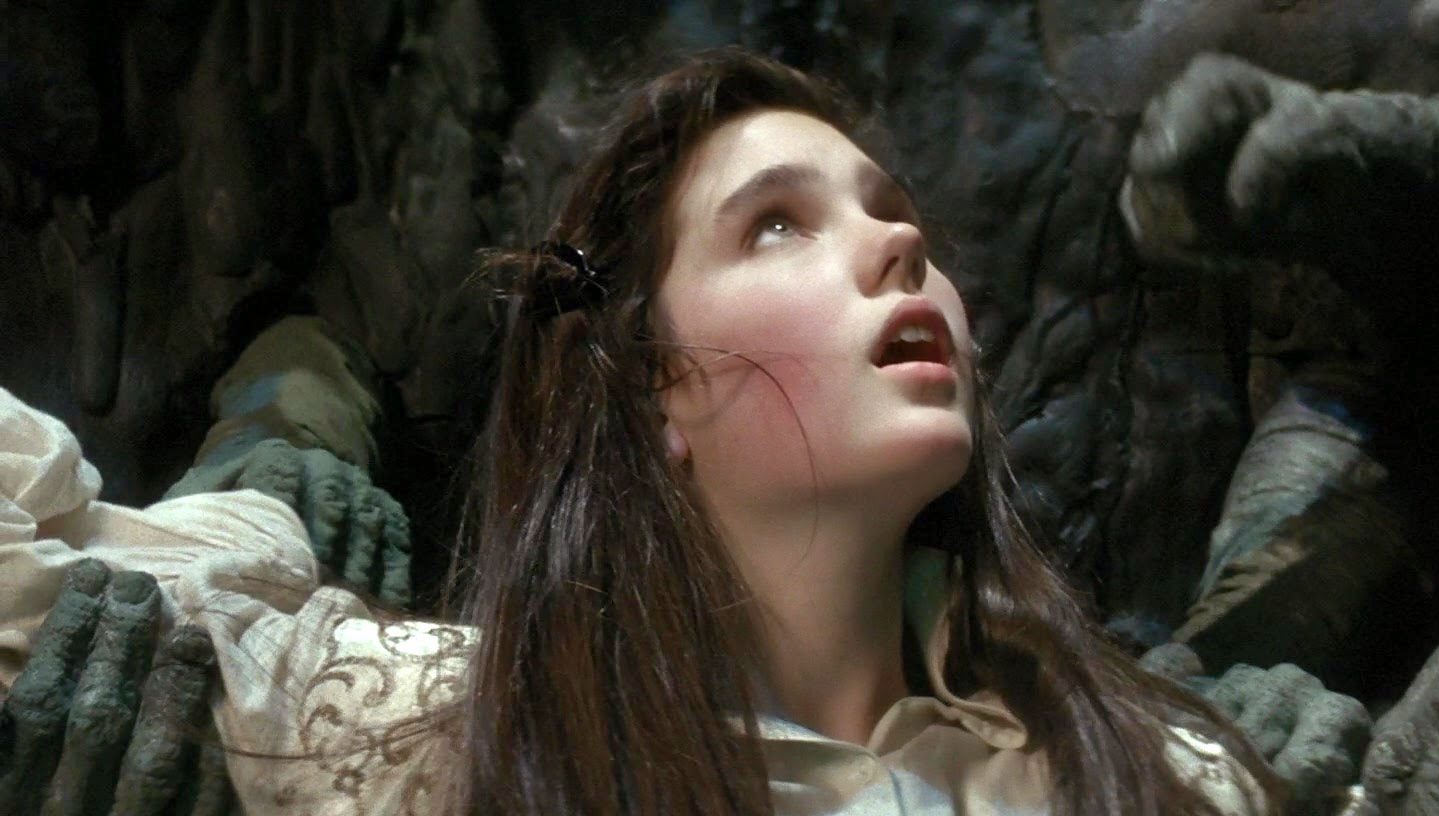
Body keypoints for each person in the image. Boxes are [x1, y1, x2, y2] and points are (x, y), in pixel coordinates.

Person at [0, 48, 1281, 815]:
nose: (902, 242)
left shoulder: (1154, 774)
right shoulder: (420, 733)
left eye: (896, 213)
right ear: (652, 385)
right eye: (777, 224)